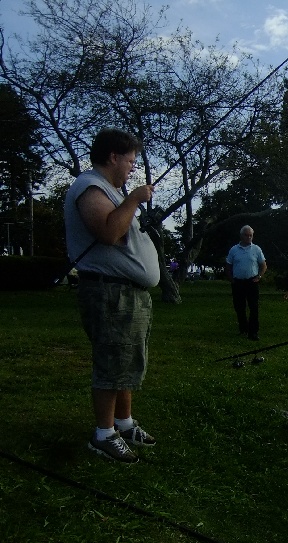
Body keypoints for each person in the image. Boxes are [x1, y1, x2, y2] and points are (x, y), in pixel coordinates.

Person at [64, 128, 160, 464]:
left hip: (127, 294)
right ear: (113, 157)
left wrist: (130, 200)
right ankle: (103, 435)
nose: (132, 167)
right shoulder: (89, 186)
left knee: (126, 360)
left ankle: (124, 422)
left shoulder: (111, 190)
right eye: (130, 160)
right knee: (111, 360)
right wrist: (134, 199)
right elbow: (107, 231)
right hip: (108, 293)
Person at [225, 225, 267, 341]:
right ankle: (243, 329)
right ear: (241, 236)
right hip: (238, 282)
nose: (249, 237)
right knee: (239, 307)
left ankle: (253, 332)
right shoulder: (234, 250)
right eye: (246, 235)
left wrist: (259, 276)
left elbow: (263, 265)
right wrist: (231, 279)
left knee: (254, 307)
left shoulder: (257, 249)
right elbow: (228, 266)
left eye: (251, 235)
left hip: (252, 282)